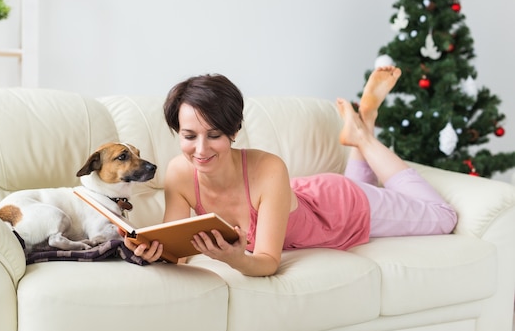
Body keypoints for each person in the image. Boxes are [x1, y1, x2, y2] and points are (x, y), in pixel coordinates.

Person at [123, 67, 458, 276]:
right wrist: (156, 253)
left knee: (444, 217)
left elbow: (267, 261)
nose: (200, 150)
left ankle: (364, 138)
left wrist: (237, 259)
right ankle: (363, 122)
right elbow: (177, 251)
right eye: (188, 136)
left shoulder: (268, 168)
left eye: (214, 136)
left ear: (234, 132)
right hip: (304, 197)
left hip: (343, 208)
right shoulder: (179, 173)